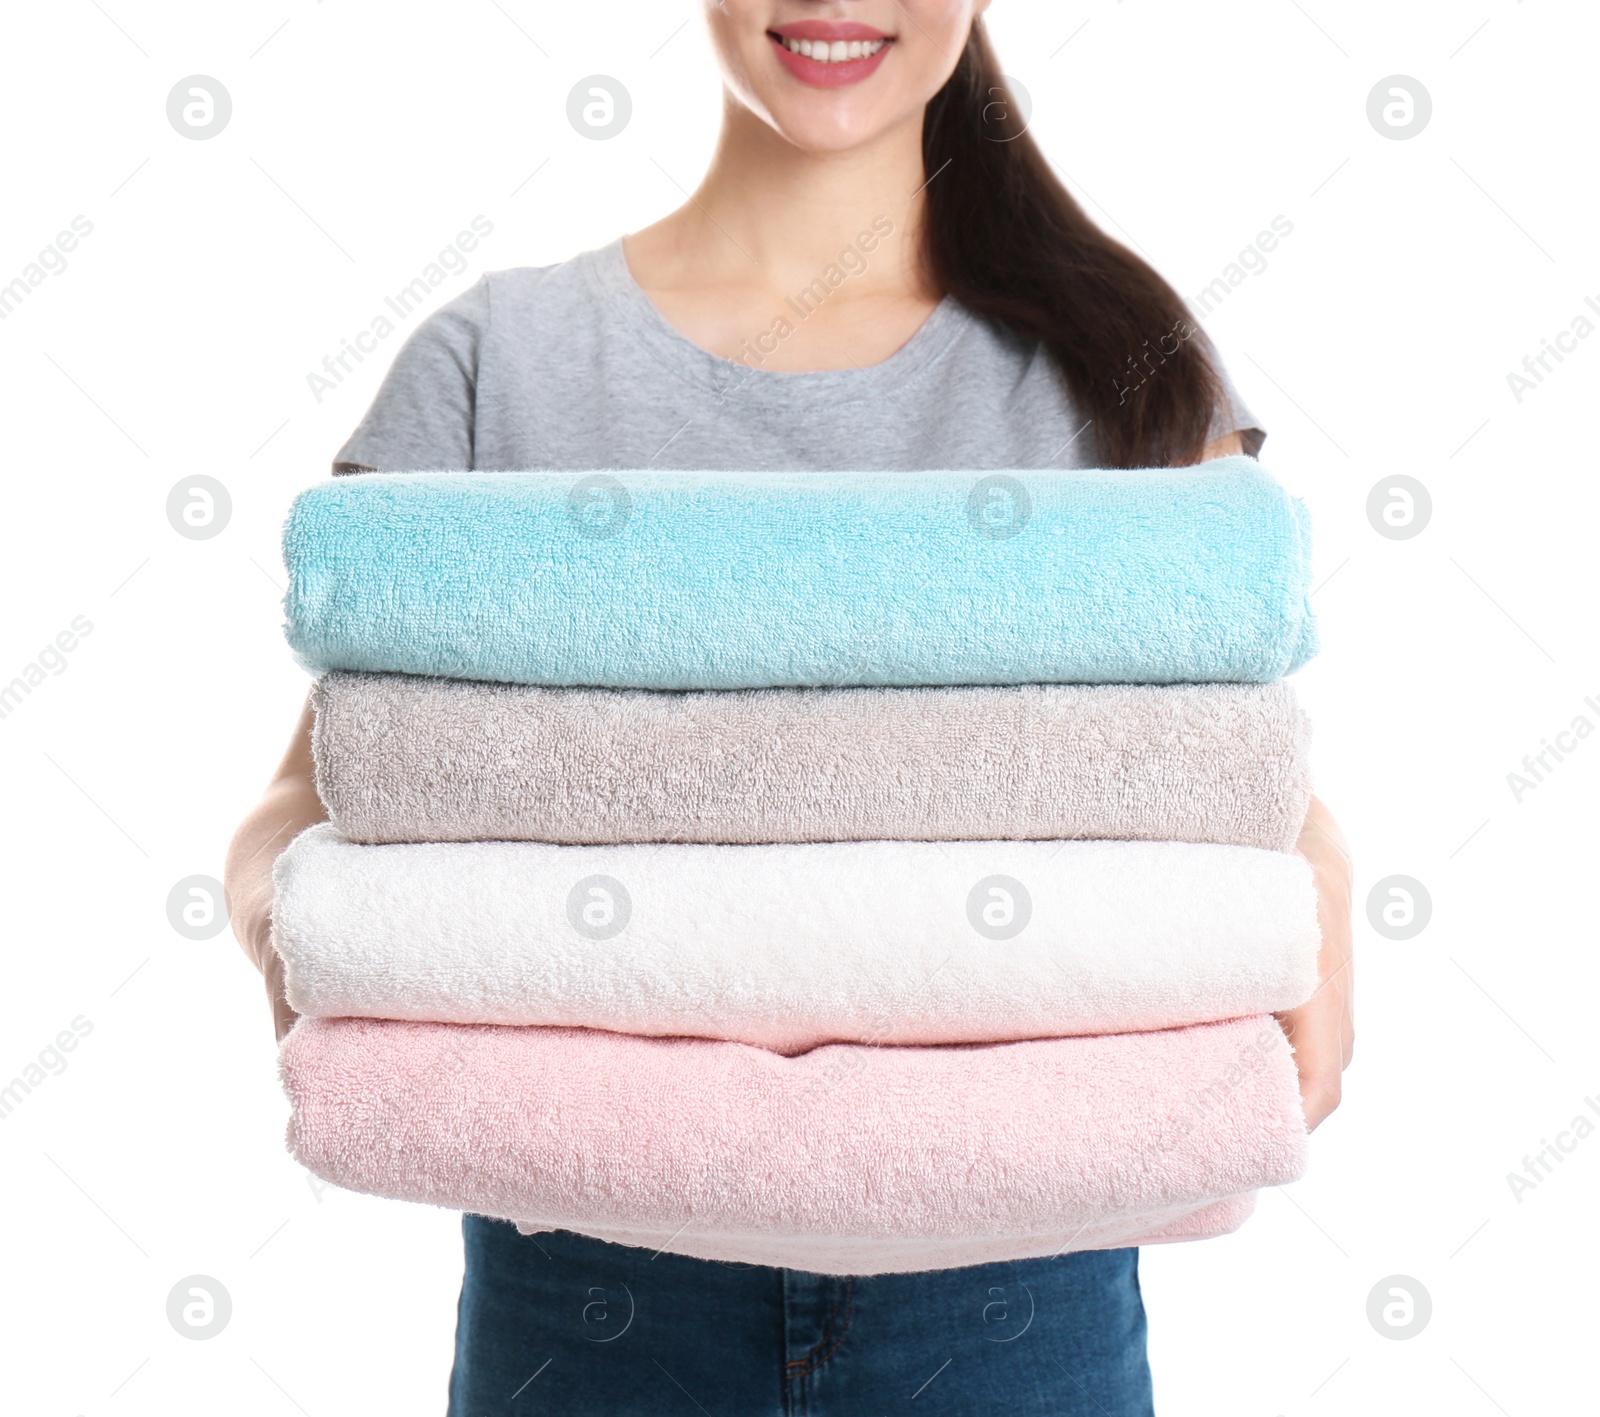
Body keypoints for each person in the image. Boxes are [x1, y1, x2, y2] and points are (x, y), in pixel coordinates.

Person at [226, 4, 1354, 1411]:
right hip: (591, 1281)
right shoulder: (495, 359)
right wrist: (308, 935)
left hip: (1019, 1287)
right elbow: (346, 778)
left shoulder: (1121, 354)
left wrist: (1319, 880)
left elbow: (1216, 771)